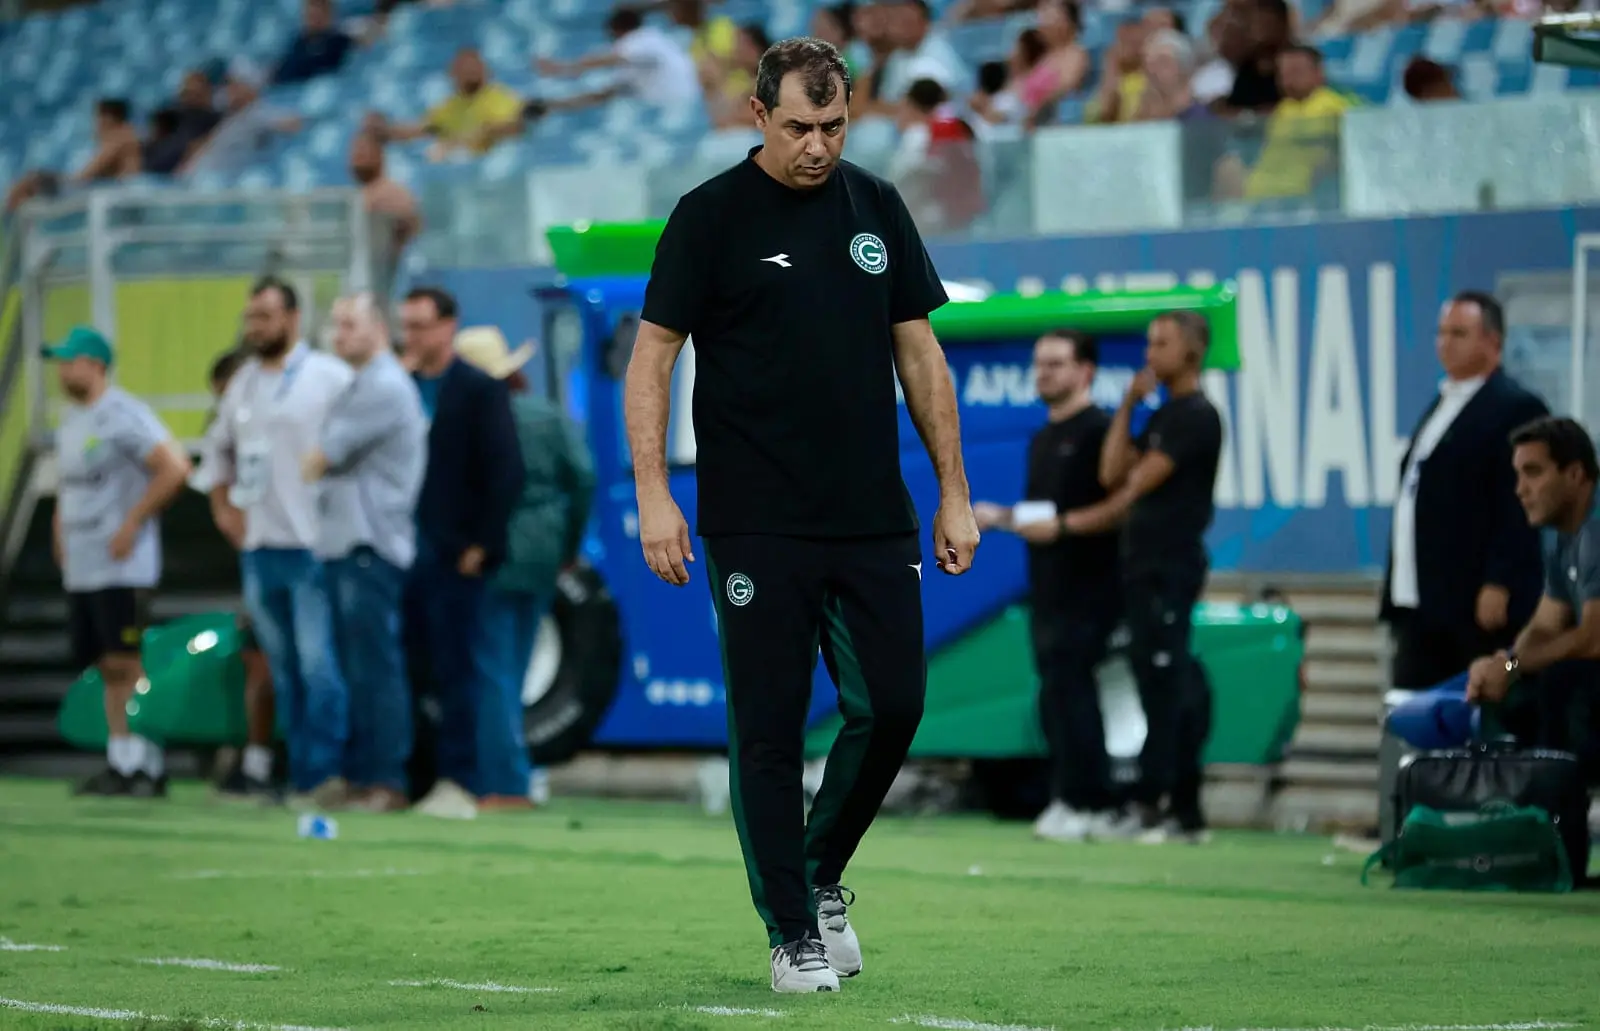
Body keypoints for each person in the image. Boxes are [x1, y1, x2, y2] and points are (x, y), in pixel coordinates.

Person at [623, 37, 978, 992]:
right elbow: (652, 357)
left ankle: (819, 873)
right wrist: (655, 493)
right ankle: (791, 933)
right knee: (771, 729)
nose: (817, 146)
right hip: (754, 519)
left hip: (872, 513)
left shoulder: (878, 205)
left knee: (894, 706)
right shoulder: (709, 216)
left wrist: (953, 491)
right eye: (798, 128)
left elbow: (921, 355)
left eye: (834, 126)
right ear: (757, 115)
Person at [207, 277, 355, 810]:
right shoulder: (243, 384)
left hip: (315, 545)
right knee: (283, 671)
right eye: (251, 317)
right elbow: (217, 452)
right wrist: (224, 511)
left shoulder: (329, 377)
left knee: (319, 667)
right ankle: (301, 776)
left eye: (265, 317)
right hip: (260, 547)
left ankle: (329, 772)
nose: (255, 328)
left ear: (293, 318)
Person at [973, 330, 1122, 842]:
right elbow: (1043, 514)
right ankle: (1067, 796)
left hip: (1092, 587)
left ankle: (1093, 802)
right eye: (1039, 364)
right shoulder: (1042, 438)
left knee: (1076, 691)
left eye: (1056, 364)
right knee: (1056, 695)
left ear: (1085, 371)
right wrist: (1002, 517)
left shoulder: (1101, 432)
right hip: (1048, 587)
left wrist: (1057, 527)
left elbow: (1115, 508)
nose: (1044, 373)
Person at [1093, 310, 1224, 843]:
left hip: (1171, 567)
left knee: (1169, 685)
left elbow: (1133, 486)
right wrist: (1127, 405)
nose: (1149, 354)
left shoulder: (1197, 416)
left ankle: (1169, 806)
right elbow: (1110, 472)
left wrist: (1077, 522)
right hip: (1143, 568)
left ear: (1191, 351)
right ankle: (1164, 805)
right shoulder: (1163, 415)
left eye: (1161, 344)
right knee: (1153, 681)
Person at [453, 326, 596, 810]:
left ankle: (503, 782)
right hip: (543, 553)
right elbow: (584, 478)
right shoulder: (547, 416)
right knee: (511, 668)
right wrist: (568, 545)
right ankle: (513, 776)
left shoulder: (472, 421)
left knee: (492, 670)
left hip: (491, 554)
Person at [47, 326, 192, 797]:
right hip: (85, 565)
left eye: (69, 361)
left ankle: (148, 762)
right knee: (106, 665)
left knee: (126, 661)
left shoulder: (124, 414)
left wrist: (133, 521)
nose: (61, 371)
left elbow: (174, 467)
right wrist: (60, 533)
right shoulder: (72, 420)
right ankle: (122, 760)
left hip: (121, 567)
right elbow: (68, 489)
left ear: (95, 365)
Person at [1381, 292, 1550, 695]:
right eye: (1440, 333)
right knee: (1413, 712)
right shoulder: (1442, 404)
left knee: (1478, 706)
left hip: (1474, 607)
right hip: (1420, 604)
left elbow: (1520, 502)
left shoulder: (1515, 407)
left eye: (1458, 333)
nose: (1445, 343)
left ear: (1493, 341)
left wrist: (1500, 579)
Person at [400, 287, 524, 821]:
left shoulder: (477, 390)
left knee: (460, 670)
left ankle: (461, 778)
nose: (411, 336)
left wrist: (482, 543)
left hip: (454, 553)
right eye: (406, 325)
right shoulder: (399, 387)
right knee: (409, 669)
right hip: (400, 548)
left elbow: (505, 470)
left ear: (448, 326)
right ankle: (412, 777)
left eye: (420, 325)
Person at [302, 293, 428, 813]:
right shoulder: (363, 383)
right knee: (357, 670)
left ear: (378, 328)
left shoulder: (381, 386)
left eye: (350, 324)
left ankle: (385, 780)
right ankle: (361, 776)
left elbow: (318, 459)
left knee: (374, 670)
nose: (339, 334)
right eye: (336, 325)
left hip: (368, 547)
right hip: (350, 546)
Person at [1466, 416, 1600, 784]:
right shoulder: (1561, 535)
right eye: (1518, 475)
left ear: (1574, 474)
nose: (1520, 490)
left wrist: (1515, 665)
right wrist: (1505, 667)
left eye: (1533, 473)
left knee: (1563, 681)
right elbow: (1544, 625)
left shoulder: (1596, 529)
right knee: (1513, 691)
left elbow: (1593, 639)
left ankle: (1560, 802)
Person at [193, 345, 281, 801]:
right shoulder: (229, 437)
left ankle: (294, 763)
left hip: (296, 556)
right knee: (258, 662)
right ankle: (257, 762)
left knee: (289, 664)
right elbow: (216, 481)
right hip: (260, 561)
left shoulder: (284, 422)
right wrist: (226, 513)